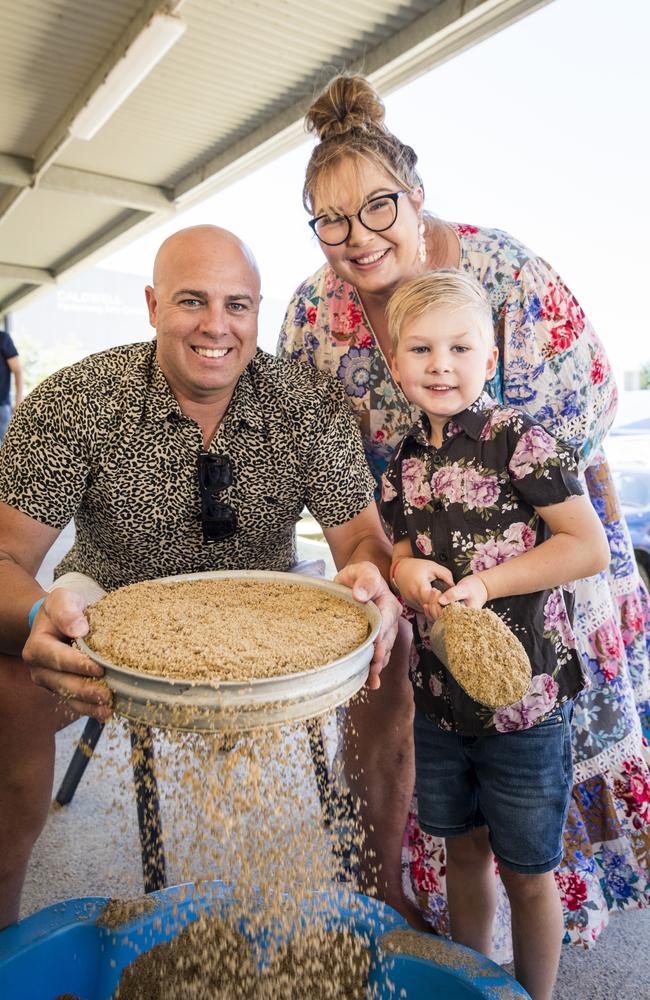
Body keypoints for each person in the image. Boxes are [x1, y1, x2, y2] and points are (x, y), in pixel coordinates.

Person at [278, 73, 650, 949]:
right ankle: (410, 908)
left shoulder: (502, 269)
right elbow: (321, 450)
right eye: (331, 220)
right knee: (433, 754)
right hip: (403, 543)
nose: (358, 237)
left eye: (378, 208)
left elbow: (586, 393)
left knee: (537, 753)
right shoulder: (312, 315)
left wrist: (508, 538)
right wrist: (387, 555)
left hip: (540, 541)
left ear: (414, 195)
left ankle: (554, 910)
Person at [0, 224, 402, 929]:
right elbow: (5, 556)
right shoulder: (76, 401)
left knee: (389, 653)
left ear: (256, 310)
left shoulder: (305, 405)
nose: (217, 326)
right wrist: (38, 618)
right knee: (6, 681)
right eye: (193, 301)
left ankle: (374, 892)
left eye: (237, 305)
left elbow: (363, 541)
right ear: (154, 305)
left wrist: (372, 579)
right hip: (106, 602)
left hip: (267, 609)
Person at [379, 269, 609, 999]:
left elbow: (585, 546)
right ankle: (471, 986)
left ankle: (534, 994)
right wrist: (406, 570)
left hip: (526, 707)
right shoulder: (403, 465)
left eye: (458, 347)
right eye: (420, 349)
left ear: (490, 359)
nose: (440, 364)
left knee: (529, 870)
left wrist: (488, 583)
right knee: (462, 853)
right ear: (395, 363)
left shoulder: (521, 442)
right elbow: (398, 550)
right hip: (443, 704)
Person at [0, 327, 23, 442]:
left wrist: (18, 400)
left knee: (8, 448)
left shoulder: (3, 338)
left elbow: (17, 370)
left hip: (2, 407)